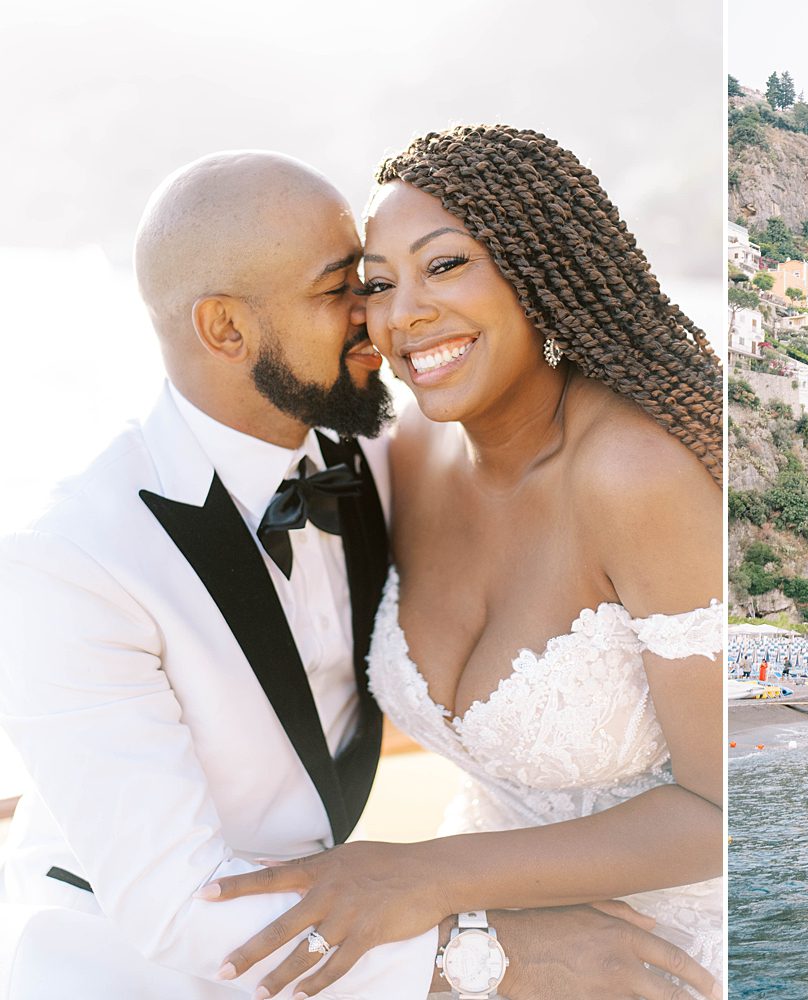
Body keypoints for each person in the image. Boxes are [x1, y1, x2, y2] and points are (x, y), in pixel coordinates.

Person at [0, 151, 714, 998]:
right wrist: (493, 953)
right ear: (227, 330)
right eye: (355, 287)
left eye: (416, 274)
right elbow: (179, 911)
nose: (381, 320)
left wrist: (434, 891)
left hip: (459, 924)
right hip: (129, 961)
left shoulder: (380, 448)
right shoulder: (74, 558)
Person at [196, 125, 725, 998]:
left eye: (445, 266)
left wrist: (428, 876)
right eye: (377, 284)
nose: (404, 315)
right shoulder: (405, 456)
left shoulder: (632, 477)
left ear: (539, 270)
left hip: (654, 948)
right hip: (486, 934)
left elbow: (719, 812)